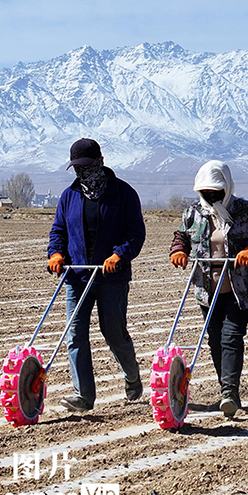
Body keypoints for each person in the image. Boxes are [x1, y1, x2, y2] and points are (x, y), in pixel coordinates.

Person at [169, 160, 248, 417]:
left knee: (232, 336)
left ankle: (230, 392)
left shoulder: (247, 211)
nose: (210, 197)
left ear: (227, 188)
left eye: (215, 192)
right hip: (207, 288)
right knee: (215, 339)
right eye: (206, 193)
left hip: (239, 287)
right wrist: (178, 251)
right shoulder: (194, 212)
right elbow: (182, 236)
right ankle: (225, 391)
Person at [48, 138, 147, 413]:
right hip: (78, 277)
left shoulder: (124, 193)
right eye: (76, 168)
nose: (81, 173)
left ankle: (132, 375)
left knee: (113, 333)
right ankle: (83, 395)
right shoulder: (69, 196)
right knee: (74, 334)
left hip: (110, 277)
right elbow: (58, 231)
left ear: (99, 162)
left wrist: (119, 255)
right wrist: (55, 254)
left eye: (85, 167)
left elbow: (135, 233)